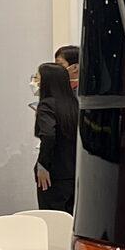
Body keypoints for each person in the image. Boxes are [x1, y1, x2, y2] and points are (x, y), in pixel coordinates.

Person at [31, 60, 78, 213]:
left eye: (37, 78)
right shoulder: (74, 104)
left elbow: (48, 135)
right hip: (74, 172)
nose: (35, 82)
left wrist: (43, 164)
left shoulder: (46, 105)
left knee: (52, 218)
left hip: (53, 174)